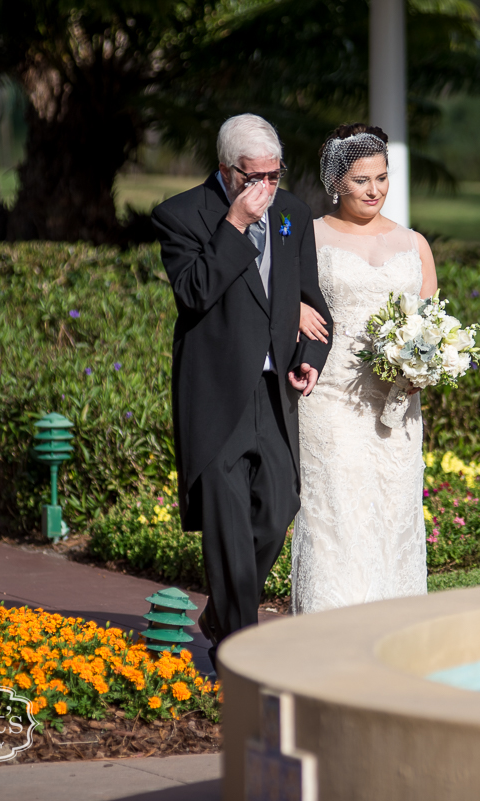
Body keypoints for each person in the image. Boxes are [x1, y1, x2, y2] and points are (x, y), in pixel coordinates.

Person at [152, 114, 332, 665]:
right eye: (254, 178)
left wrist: (310, 359)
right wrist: (232, 225)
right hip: (217, 392)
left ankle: (222, 613)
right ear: (228, 171)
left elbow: (312, 302)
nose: (266, 189)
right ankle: (239, 652)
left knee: (278, 509)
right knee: (227, 524)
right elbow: (195, 292)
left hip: (275, 391)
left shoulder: (294, 212)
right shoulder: (181, 215)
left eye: (274, 176)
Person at [290, 123, 438, 614]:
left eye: (382, 177)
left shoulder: (415, 244)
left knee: (393, 518)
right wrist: (293, 312)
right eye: (360, 180)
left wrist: (427, 367)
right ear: (335, 181)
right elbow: (267, 297)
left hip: (398, 405)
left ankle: (393, 634)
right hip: (330, 399)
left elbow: (431, 323)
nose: (374, 190)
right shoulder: (308, 236)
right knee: (336, 519)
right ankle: (326, 638)